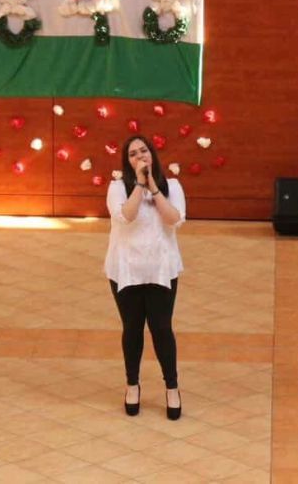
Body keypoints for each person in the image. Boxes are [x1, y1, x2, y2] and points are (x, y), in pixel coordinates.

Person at [105, 135, 186, 419]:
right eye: (133, 154)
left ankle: (172, 387)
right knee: (132, 328)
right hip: (126, 269)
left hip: (161, 269)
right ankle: (132, 385)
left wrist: (154, 186)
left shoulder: (172, 186)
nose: (140, 156)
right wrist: (139, 185)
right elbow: (126, 216)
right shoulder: (117, 188)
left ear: (152, 154)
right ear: (127, 162)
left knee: (162, 328)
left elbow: (174, 218)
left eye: (144, 151)